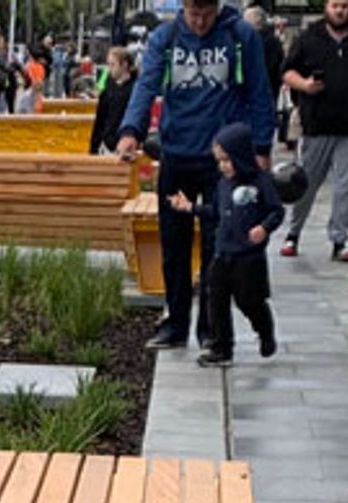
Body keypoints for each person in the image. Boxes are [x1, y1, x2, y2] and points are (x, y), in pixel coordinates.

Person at [112, 0, 277, 351]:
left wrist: (261, 147)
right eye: (193, 14)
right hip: (177, 153)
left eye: (206, 14)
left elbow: (260, 92)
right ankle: (175, 323)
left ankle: (211, 329)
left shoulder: (240, 35)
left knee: (219, 249)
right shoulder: (165, 37)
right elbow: (146, 86)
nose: (200, 22)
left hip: (223, 162)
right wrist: (131, 130)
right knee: (174, 244)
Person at [278, 0, 348, 260]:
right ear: (326, 7)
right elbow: (287, 72)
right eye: (335, 5)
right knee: (305, 183)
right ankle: (293, 233)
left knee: (346, 186)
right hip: (317, 125)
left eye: (344, 5)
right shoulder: (309, 37)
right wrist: (305, 85)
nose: (340, 10)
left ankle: (339, 240)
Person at [183, 120, 277, 363]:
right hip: (223, 252)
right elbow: (215, 210)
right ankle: (221, 346)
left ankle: (264, 330)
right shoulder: (223, 184)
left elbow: (276, 211)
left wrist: (264, 229)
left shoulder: (261, 182)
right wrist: (191, 208)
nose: (223, 166)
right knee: (215, 298)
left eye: (227, 160)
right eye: (219, 161)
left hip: (249, 256)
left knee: (249, 301)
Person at [89, 43, 136, 154]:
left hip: (126, 145)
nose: (109, 69)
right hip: (107, 144)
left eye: (112, 65)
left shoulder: (135, 90)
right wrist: (94, 146)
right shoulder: (108, 89)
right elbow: (100, 119)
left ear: (124, 65)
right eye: (109, 64)